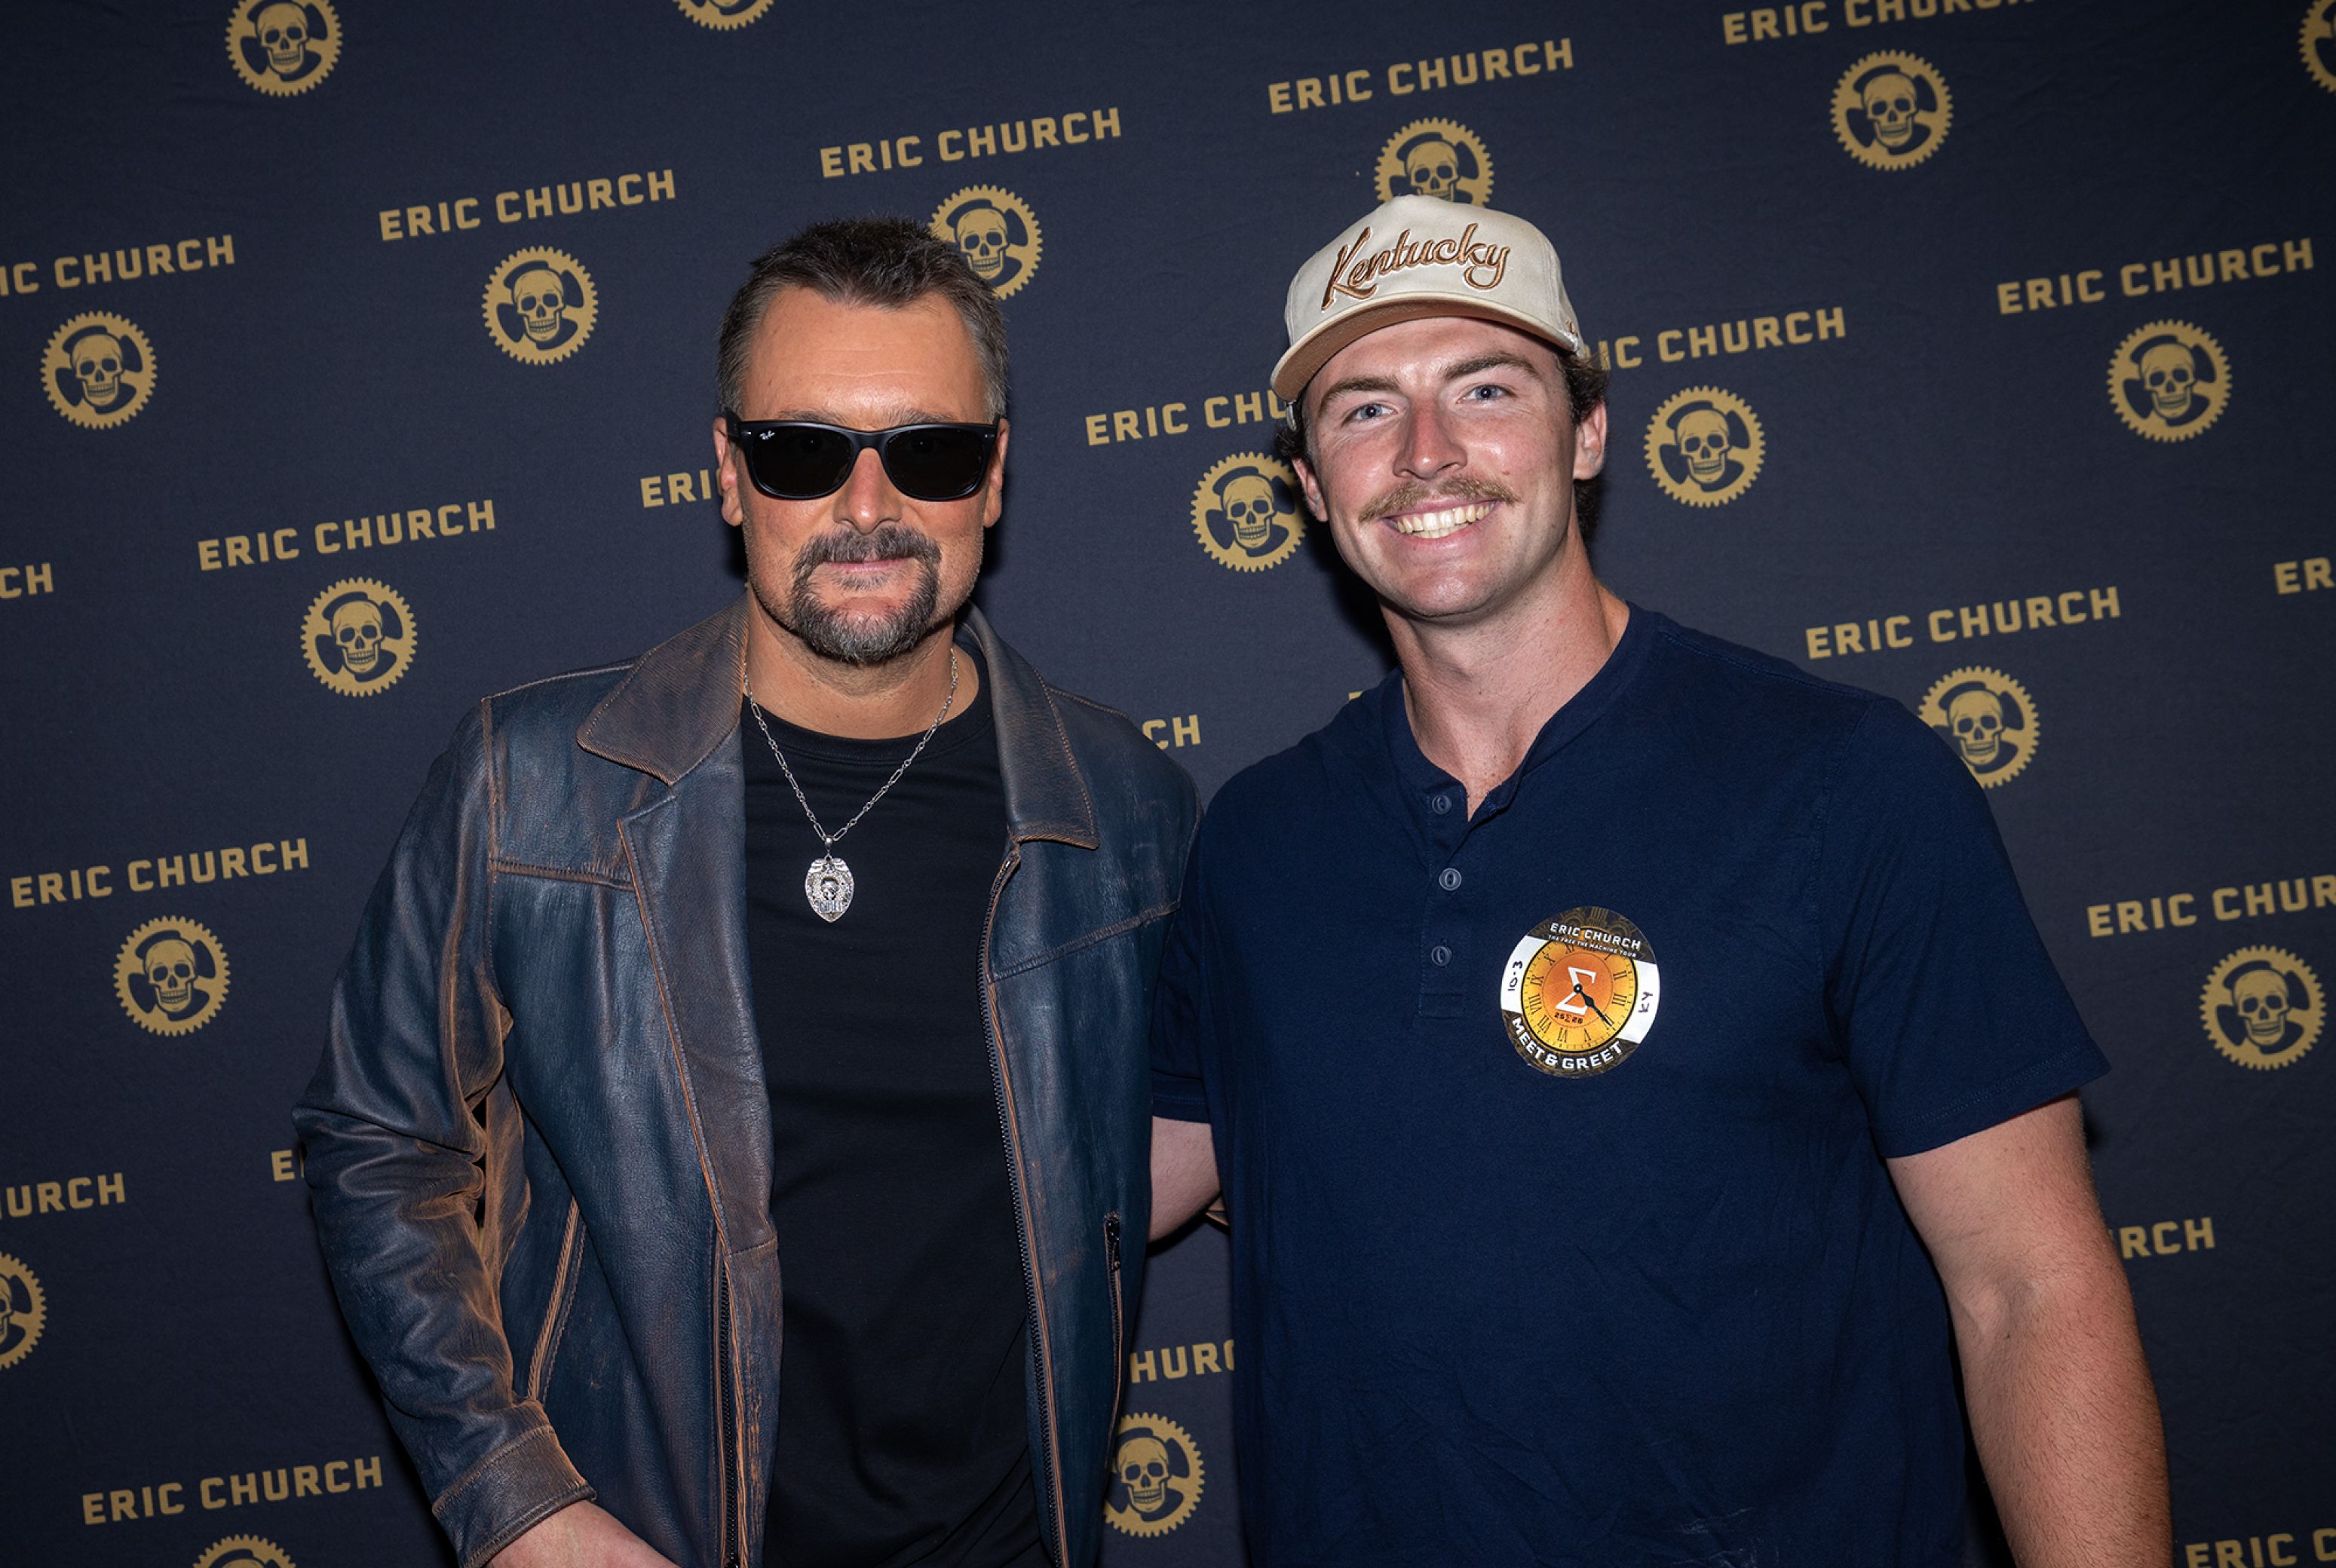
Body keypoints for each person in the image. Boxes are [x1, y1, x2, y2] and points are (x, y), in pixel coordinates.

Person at [1145, 195, 2170, 1566]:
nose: (1426, 451)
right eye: (1363, 409)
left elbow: (2028, 1289)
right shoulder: (1257, 840)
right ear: (1311, 484)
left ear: (1586, 433)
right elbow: (1117, 1181)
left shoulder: (1843, 782)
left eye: (1485, 389)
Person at [298, 217, 1195, 1568]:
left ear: (995, 476)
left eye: (929, 452)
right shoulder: (530, 784)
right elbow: (377, 1141)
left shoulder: (1123, 808)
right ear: (728, 473)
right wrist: (517, 1506)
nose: (867, 507)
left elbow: (1179, 1136)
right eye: (802, 452)